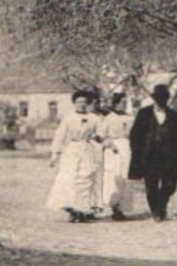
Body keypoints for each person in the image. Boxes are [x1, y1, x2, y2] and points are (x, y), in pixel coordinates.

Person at [129, 84, 177, 222]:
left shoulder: (173, 115)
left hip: (169, 156)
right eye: (158, 99)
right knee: (151, 185)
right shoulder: (144, 113)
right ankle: (156, 211)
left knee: (170, 184)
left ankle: (162, 203)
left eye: (163, 99)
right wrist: (137, 153)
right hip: (149, 155)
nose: (160, 102)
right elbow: (136, 134)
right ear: (154, 99)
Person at [46, 89, 105, 222]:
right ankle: (72, 209)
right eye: (78, 102)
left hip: (87, 149)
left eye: (84, 102)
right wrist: (55, 154)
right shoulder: (68, 118)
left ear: (88, 104)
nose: (81, 105)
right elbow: (59, 136)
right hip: (72, 150)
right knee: (70, 178)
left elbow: (101, 134)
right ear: (74, 103)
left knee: (86, 178)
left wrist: (98, 137)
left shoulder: (94, 118)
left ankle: (83, 210)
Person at [98, 91, 136, 220]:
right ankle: (113, 205)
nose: (123, 105)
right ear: (115, 103)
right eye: (121, 102)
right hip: (113, 150)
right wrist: (109, 144)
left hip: (127, 148)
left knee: (126, 177)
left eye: (125, 103)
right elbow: (100, 135)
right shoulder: (109, 118)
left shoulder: (130, 118)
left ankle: (121, 207)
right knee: (113, 177)